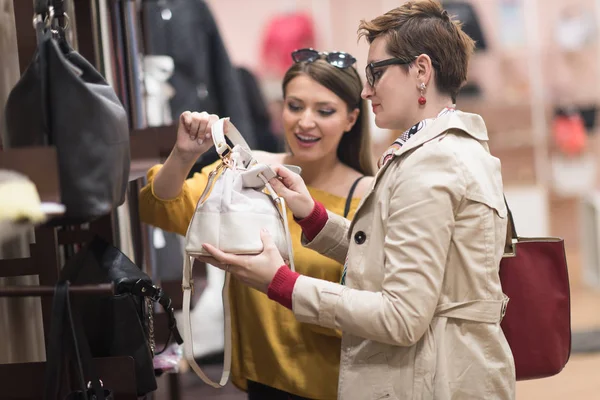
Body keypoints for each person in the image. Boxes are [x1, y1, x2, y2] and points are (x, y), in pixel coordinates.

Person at [199, 1, 516, 399]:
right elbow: (399, 255)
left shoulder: (432, 166)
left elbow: (401, 317)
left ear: (421, 71)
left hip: (432, 380)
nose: (366, 90)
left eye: (376, 73)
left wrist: (281, 283)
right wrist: (313, 216)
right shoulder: (448, 149)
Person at [138, 50, 374, 399]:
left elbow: (376, 307)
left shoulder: (367, 195)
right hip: (262, 384)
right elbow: (160, 207)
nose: (305, 122)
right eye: (295, 106)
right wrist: (184, 155)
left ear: (351, 119)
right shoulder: (252, 172)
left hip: (339, 387)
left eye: (324, 111)